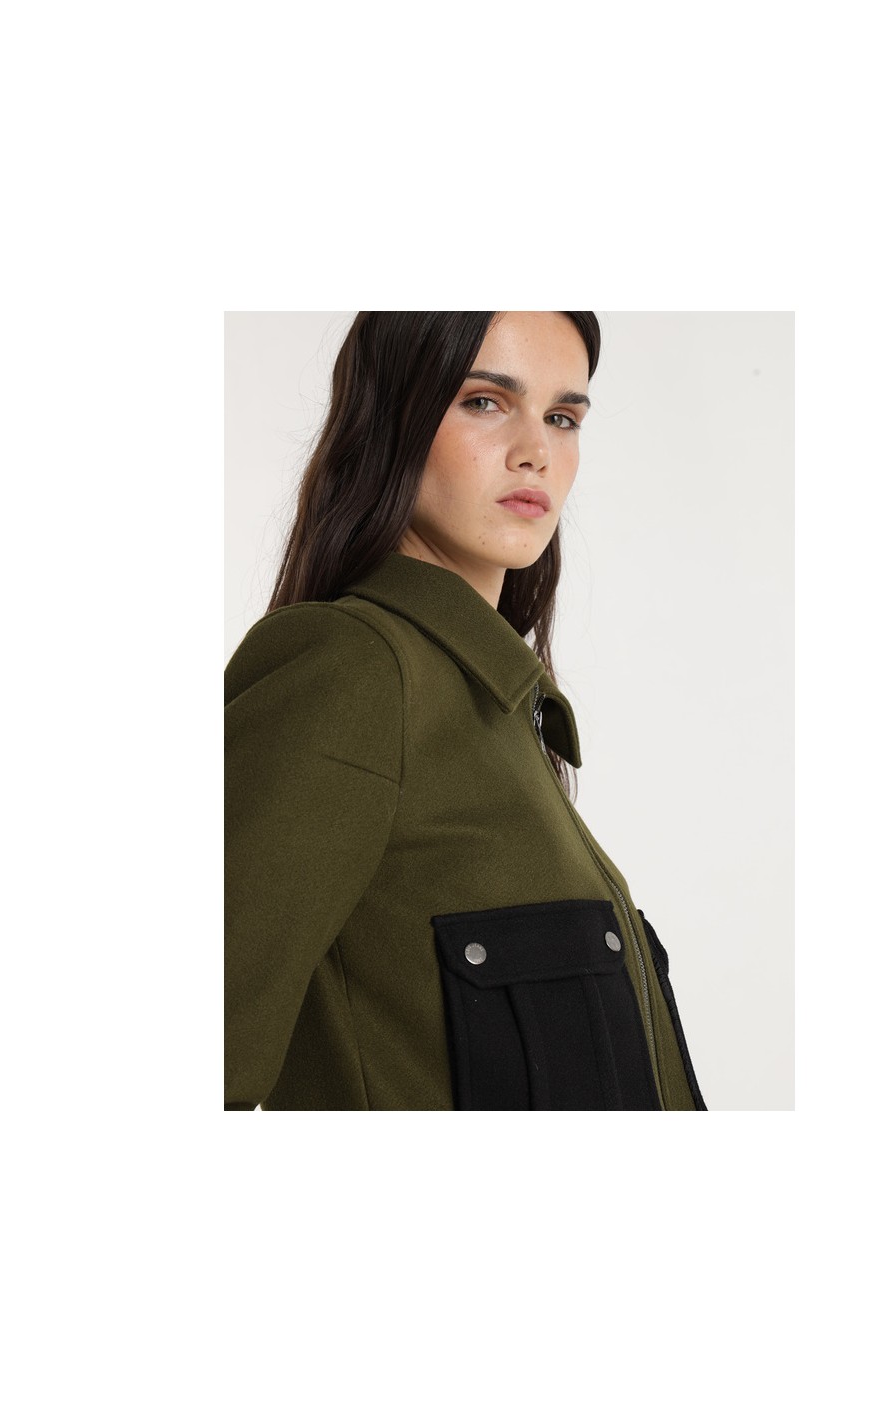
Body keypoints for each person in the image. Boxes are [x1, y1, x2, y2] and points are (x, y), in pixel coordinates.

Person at [225, 310, 708, 1110]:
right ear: (393, 420)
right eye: (485, 402)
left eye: (563, 418)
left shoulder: (495, 709)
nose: (536, 451)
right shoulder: (356, 671)